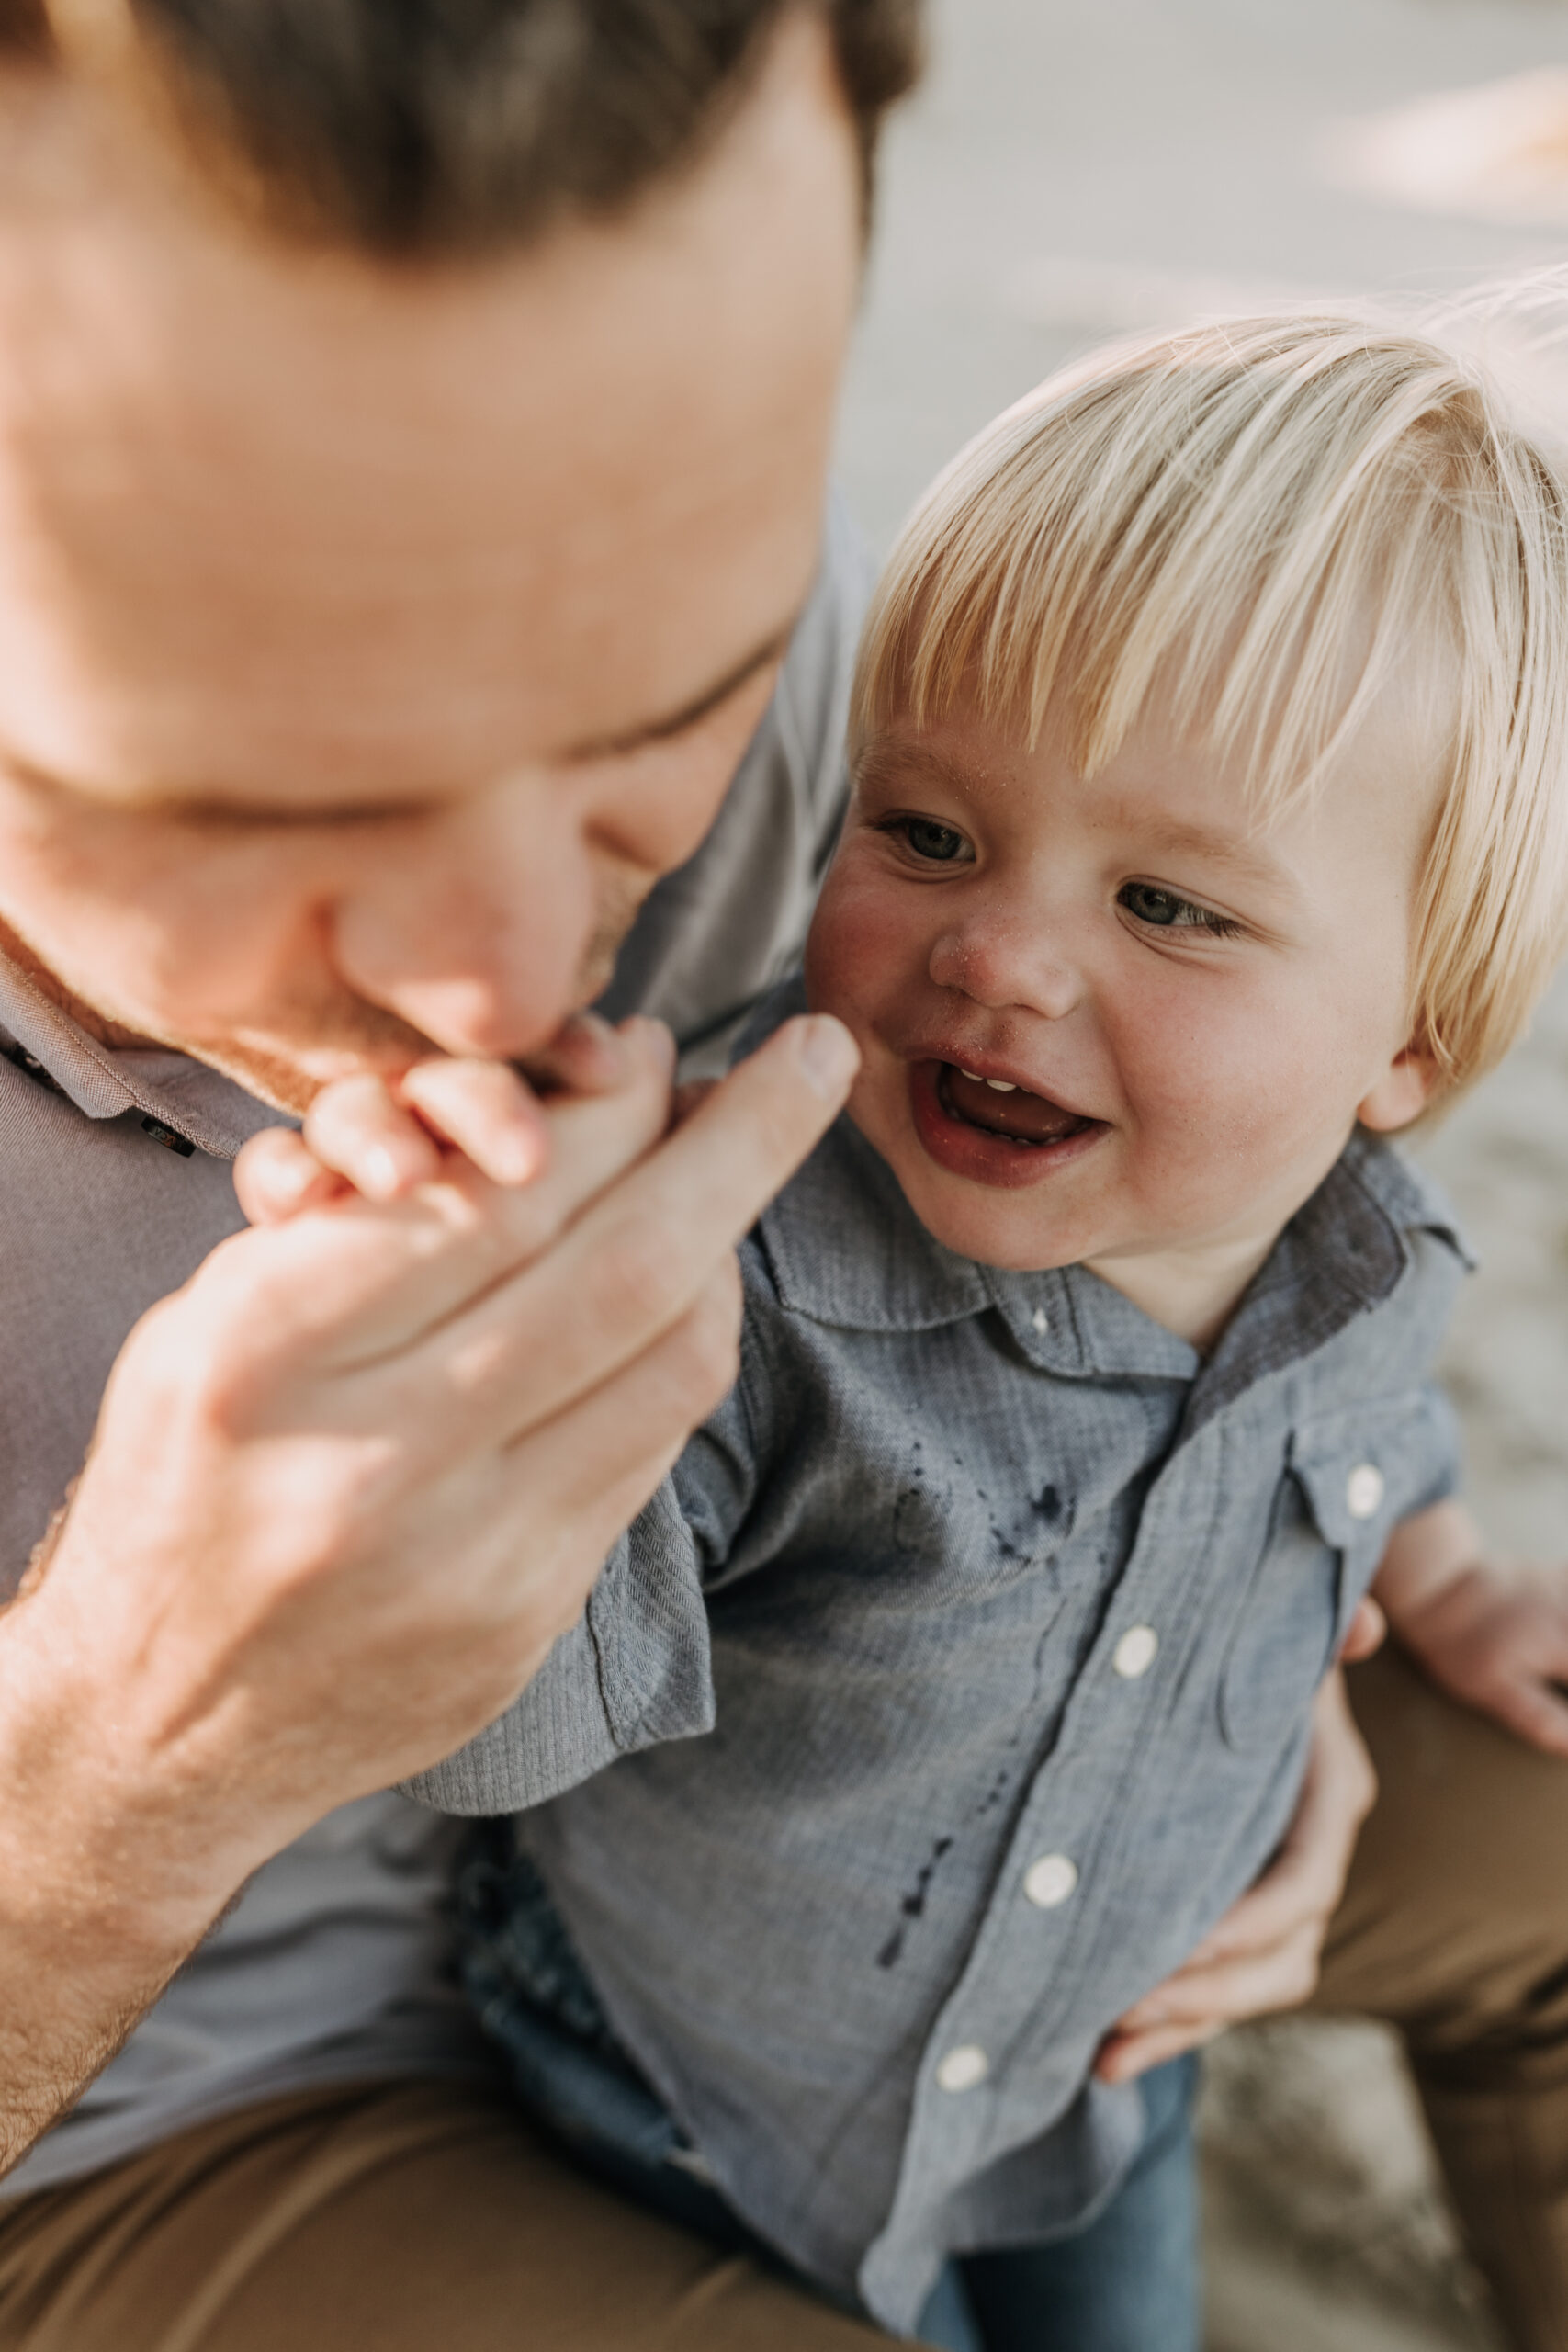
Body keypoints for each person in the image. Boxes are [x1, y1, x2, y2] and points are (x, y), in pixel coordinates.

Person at [0, 6, 1562, 2348]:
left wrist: (1273, 1627)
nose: (529, 979)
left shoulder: (752, 566)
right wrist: (126, 1754)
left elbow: (1329, 1354)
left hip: (1015, 1932)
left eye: (659, 740)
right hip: (183, 2099)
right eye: (275, 803)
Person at [403, 312, 1568, 2351]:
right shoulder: (748, 1269)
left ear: (1406, 1041)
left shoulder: (1362, 1250)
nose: (995, 952)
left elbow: (1365, 1440)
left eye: (1173, 908)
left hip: (1111, 2048)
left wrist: (1444, 1578)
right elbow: (501, 1727)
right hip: (703, 2098)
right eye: (925, 831)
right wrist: (516, 1371)